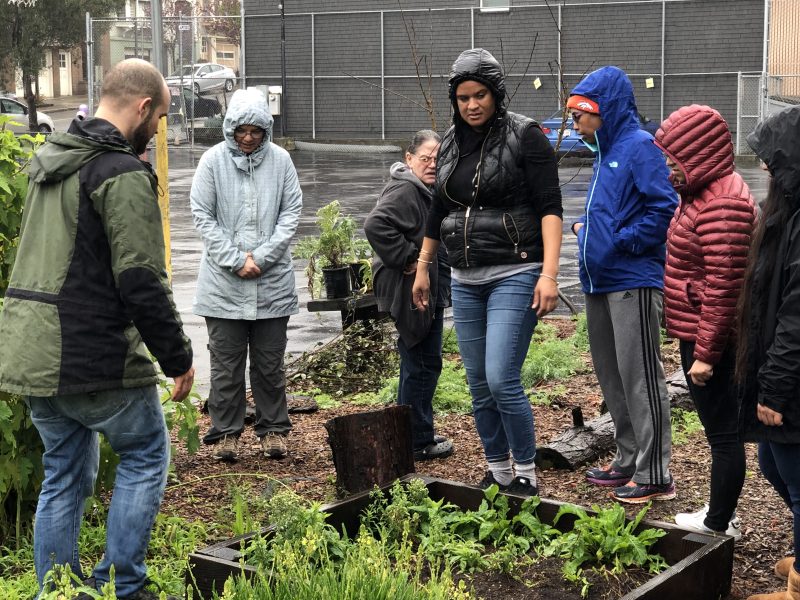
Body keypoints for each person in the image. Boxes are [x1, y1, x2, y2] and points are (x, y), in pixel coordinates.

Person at [0, 59, 194, 599]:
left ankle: (57, 593)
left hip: (31, 351)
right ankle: (124, 585)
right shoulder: (119, 172)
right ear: (142, 107)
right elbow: (139, 279)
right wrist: (176, 358)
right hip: (86, 351)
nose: (155, 132)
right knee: (147, 450)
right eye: (157, 121)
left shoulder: (51, 161)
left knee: (63, 470)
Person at [412, 48, 563, 496]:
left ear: (495, 94)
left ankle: (526, 473)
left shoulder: (526, 136)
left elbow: (550, 208)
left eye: (480, 95)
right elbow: (439, 208)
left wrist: (549, 274)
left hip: (516, 271)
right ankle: (498, 469)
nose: (472, 105)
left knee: (501, 377)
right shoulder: (451, 143)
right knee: (478, 383)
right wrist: (423, 267)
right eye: (463, 98)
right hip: (464, 276)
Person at [569, 66, 678, 504]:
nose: (576, 124)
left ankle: (656, 472)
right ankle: (629, 457)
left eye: (582, 115)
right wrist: (587, 229)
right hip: (600, 281)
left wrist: (622, 241)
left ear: (606, 111)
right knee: (612, 376)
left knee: (640, 376)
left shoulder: (639, 147)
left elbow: (664, 206)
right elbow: (614, 211)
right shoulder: (605, 153)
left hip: (632, 280)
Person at [655, 104, 756, 537]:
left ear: (696, 154)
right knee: (721, 433)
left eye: (671, 158)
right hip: (696, 329)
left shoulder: (723, 204)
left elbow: (725, 287)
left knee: (724, 436)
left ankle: (718, 524)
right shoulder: (701, 193)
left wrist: (707, 355)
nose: (667, 166)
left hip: (711, 339)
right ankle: (718, 512)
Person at [191, 87, 302, 463]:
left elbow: (290, 215)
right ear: (230, 129)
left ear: (266, 129)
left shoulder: (282, 161)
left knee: (270, 364)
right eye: (242, 130)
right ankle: (225, 433)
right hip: (223, 286)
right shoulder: (211, 162)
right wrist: (236, 259)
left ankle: (273, 430)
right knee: (226, 366)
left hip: (272, 285)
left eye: (256, 130)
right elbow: (203, 216)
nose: (249, 137)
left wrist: (263, 257)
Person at [737, 105, 800, 600]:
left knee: (797, 481)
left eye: (772, 162)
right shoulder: (785, 216)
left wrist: (775, 390)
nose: (762, 169)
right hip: (781, 373)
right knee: (773, 466)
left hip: (793, 381)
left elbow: (797, 319)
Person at [365, 130, 454, 461]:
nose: (432, 164)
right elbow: (376, 225)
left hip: (429, 285)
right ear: (409, 159)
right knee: (420, 361)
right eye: (425, 158)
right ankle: (416, 441)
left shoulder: (427, 191)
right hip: (409, 288)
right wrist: (409, 260)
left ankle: (416, 431)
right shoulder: (406, 189)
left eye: (438, 159)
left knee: (422, 361)